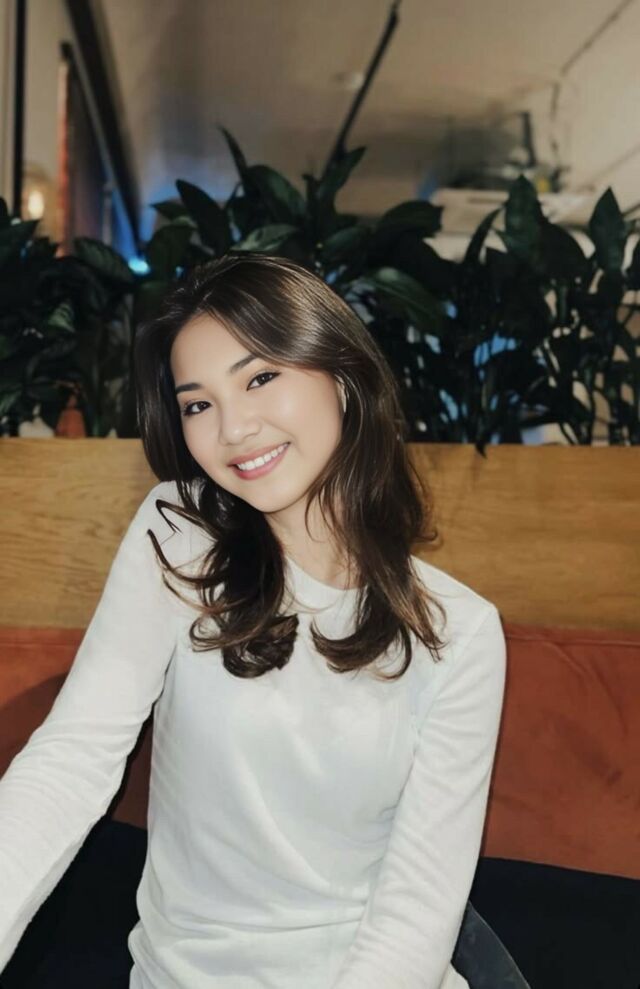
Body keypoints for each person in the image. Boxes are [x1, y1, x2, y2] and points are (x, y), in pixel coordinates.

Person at [0, 253, 529, 988]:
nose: (234, 428)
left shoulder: (459, 633)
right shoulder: (179, 534)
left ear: (341, 373)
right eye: (197, 404)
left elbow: (415, 915)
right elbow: (73, 759)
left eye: (259, 378)